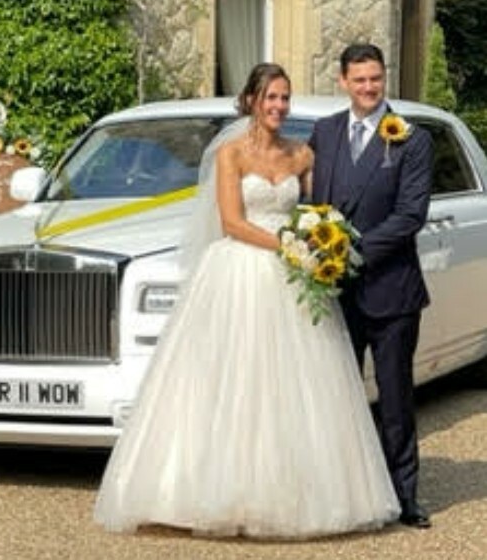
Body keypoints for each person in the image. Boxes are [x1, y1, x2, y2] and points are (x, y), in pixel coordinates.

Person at [94, 63, 400, 539]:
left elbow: (321, 209)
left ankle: (293, 494)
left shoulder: (302, 155)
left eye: (284, 98)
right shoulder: (231, 154)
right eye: (271, 97)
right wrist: (289, 246)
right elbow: (232, 222)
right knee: (231, 379)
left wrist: (322, 241)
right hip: (238, 272)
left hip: (291, 280)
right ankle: (209, 492)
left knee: (292, 385)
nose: (279, 106)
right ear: (252, 101)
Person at [309, 43, 434, 529]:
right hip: (333, 293)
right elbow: (310, 203)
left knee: (395, 397)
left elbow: (410, 215)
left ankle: (405, 496)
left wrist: (350, 251)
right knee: (334, 395)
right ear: (343, 81)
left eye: (375, 79)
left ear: (385, 78)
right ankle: (340, 492)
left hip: (391, 292)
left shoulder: (411, 139)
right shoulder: (324, 132)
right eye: (359, 79)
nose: (368, 87)